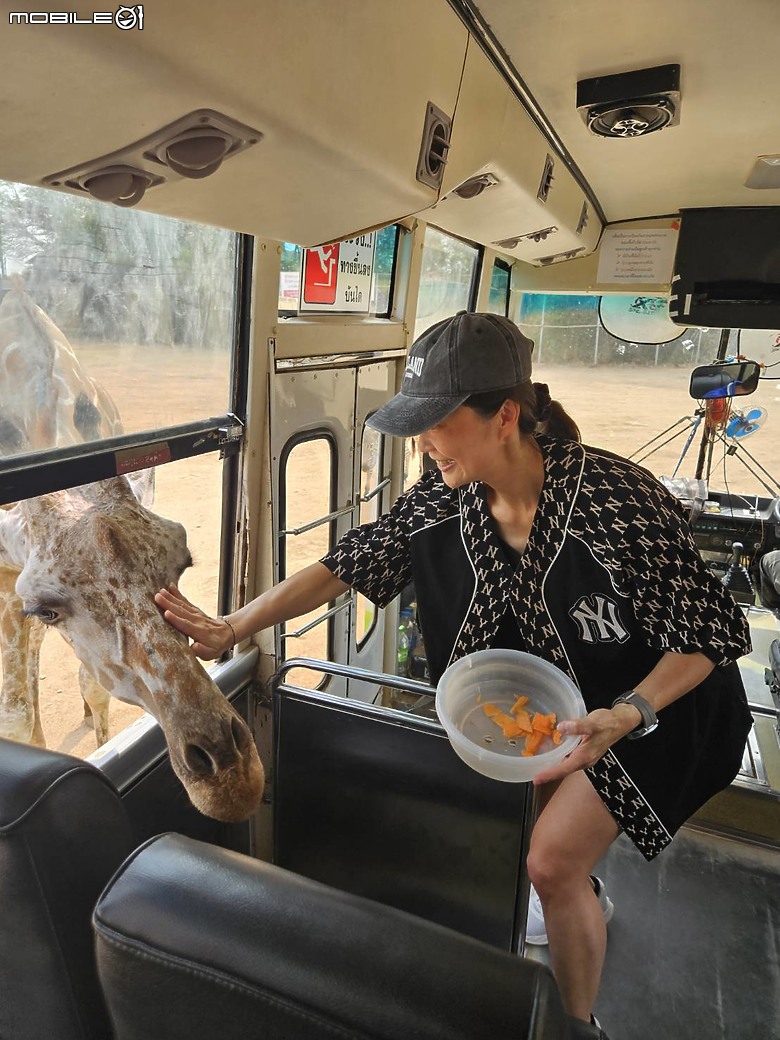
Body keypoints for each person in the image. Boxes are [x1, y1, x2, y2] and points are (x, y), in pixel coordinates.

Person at [155, 311, 753, 1040]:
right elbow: (349, 562)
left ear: (504, 416)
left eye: (434, 421)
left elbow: (711, 635)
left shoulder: (616, 501)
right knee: (548, 820)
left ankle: (572, 1026)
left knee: (549, 862)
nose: (420, 441)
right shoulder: (447, 498)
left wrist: (629, 712)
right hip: (566, 704)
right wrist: (234, 627)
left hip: (663, 701)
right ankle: (583, 897)